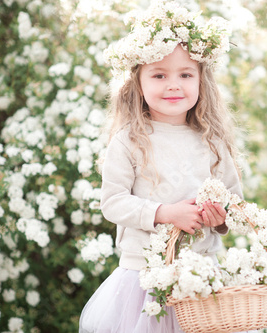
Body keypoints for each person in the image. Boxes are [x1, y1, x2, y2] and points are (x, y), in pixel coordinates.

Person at [79, 1, 253, 332]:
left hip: (201, 279)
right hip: (144, 281)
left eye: (185, 75)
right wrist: (165, 213)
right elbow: (113, 202)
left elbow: (234, 202)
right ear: (138, 83)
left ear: (202, 80)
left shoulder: (212, 143)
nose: (173, 85)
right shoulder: (129, 140)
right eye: (159, 75)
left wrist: (220, 217)